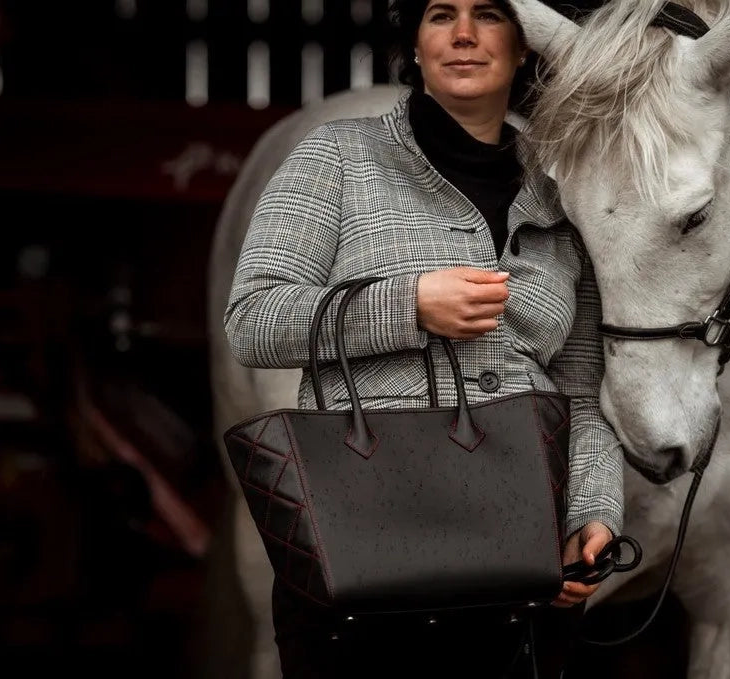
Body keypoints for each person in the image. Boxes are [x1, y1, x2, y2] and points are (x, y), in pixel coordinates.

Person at [223, 0, 624, 676]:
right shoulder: (337, 156)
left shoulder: (566, 191)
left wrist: (592, 509)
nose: (464, 35)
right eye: (441, 14)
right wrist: (409, 305)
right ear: (414, 43)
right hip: (364, 557)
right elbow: (254, 320)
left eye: (488, 15)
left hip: (523, 563)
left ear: (524, 44)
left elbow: (582, 386)